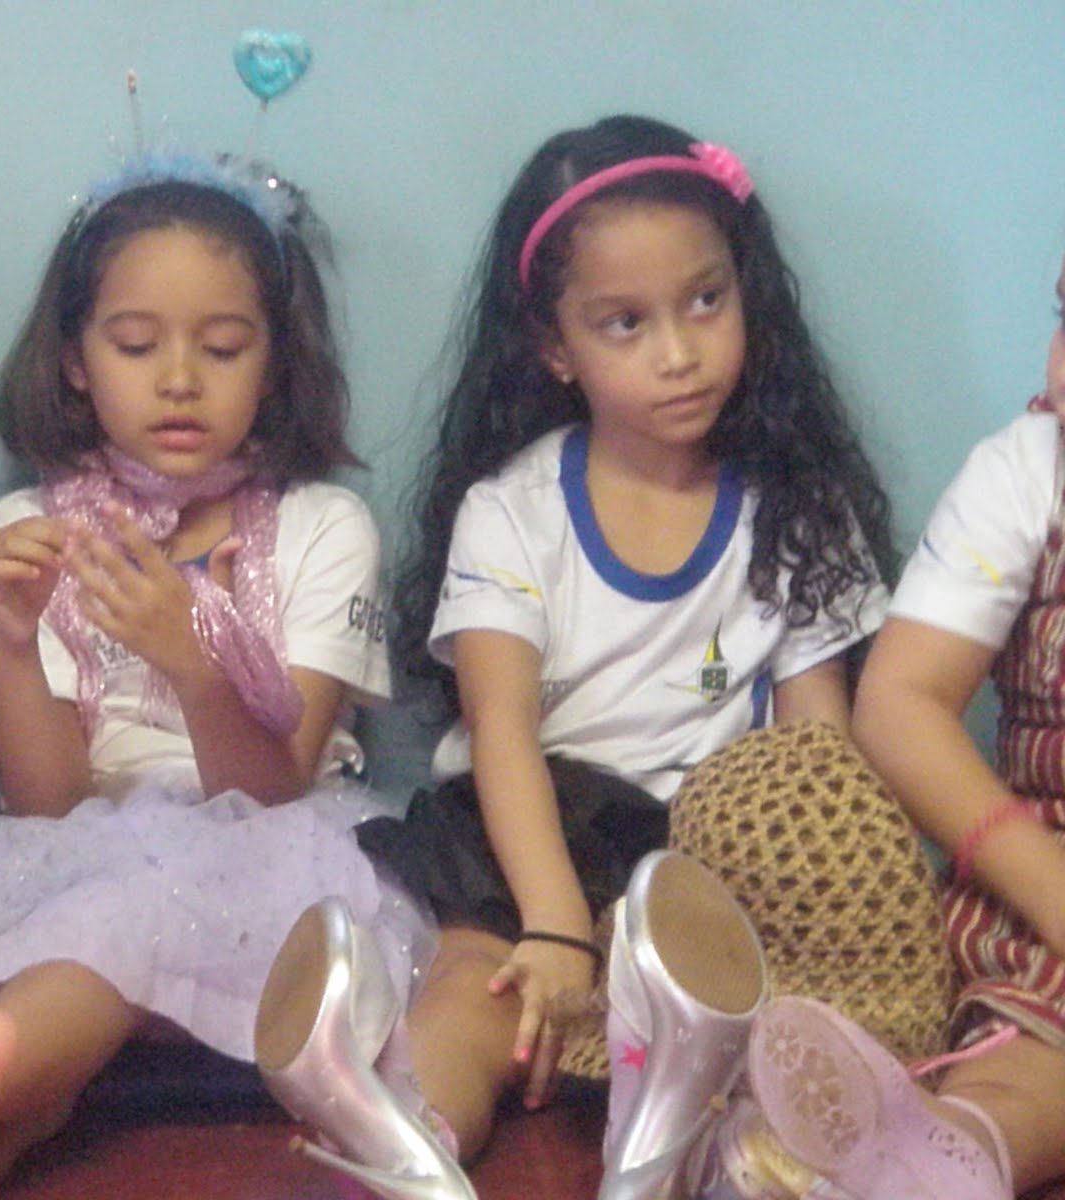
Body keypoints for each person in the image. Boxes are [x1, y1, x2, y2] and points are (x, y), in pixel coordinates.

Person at [0, 149, 432, 1200]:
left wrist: (192, 663)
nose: (179, 379)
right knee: (82, 955)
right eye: (136, 344)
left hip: (274, 873)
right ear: (74, 360)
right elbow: (48, 809)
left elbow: (274, 792)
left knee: (125, 918)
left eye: (224, 347)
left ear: (274, 362)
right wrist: (13, 644)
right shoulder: (25, 531)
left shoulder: (321, 526)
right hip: (78, 857)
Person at [253, 114, 911, 1199]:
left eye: (706, 301)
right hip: (537, 838)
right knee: (482, 990)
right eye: (624, 323)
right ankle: (392, 1131)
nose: (678, 352)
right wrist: (557, 924)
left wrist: (813, 894)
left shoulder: (796, 510)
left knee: (775, 1032)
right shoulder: (513, 513)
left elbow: (814, 760)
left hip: (706, 858)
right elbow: (502, 730)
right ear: (555, 348)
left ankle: (674, 1137)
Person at [777, 251, 1065, 1198]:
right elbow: (900, 705)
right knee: (1031, 1065)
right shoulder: (1029, 471)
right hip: (1045, 883)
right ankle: (932, 1155)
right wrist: (1050, 891)